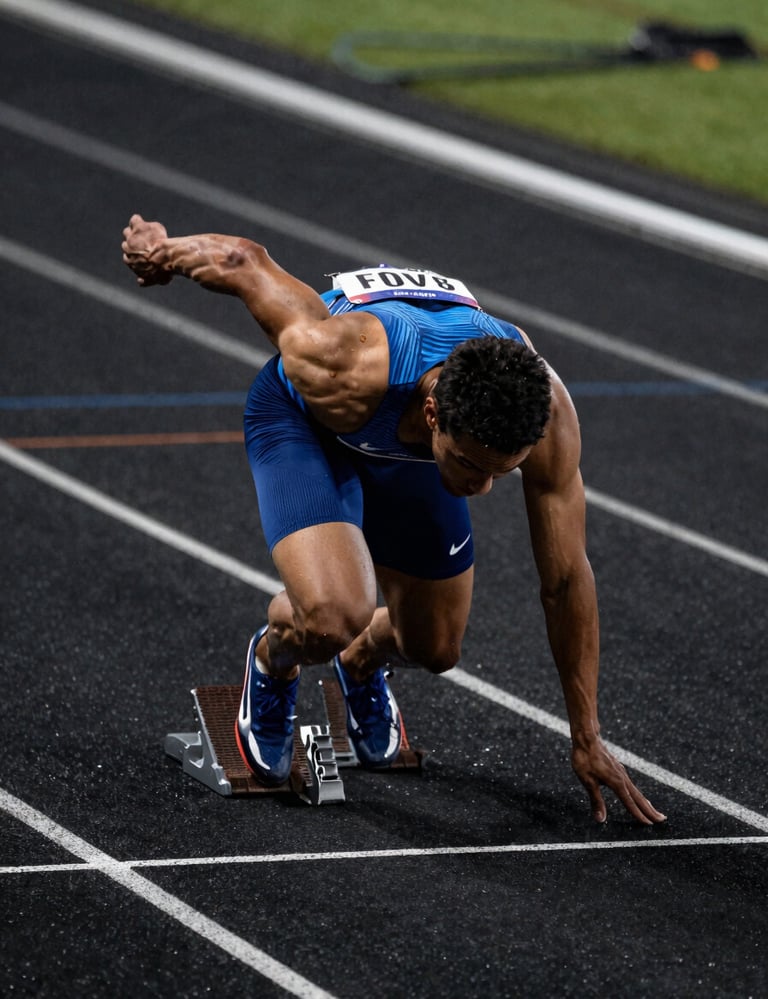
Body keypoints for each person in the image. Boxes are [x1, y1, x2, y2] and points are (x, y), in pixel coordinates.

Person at [122, 214, 665, 825]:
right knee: (334, 615)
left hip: (412, 454)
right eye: (471, 466)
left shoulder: (546, 416)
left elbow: (565, 580)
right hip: (312, 426)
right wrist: (160, 252)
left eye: (500, 471)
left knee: (434, 648)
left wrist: (586, 734)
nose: (482, 488)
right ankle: (272, 661)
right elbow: (243, 260)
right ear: (433, 411)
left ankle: (361, 664)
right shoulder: (339, 361)